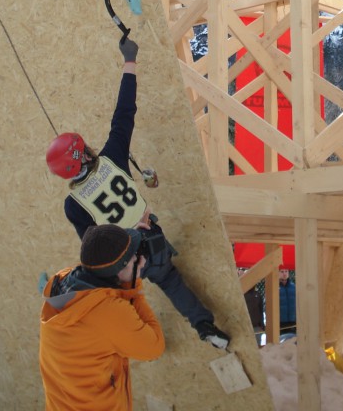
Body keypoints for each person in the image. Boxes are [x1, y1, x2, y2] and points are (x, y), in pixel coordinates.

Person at [46, 34, 230, 350]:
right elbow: (124, 112)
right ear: (85, 154)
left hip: (122, 260)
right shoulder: (112, 157)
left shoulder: (73, 205)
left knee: (117, 294)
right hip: (151, 242)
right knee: (171, 281)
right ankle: (204, 324)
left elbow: (93, 247)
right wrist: (129, 60)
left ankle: (129, 332)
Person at [40, 223, 165, 411]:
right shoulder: (109, 312)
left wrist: (121, 242)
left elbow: (104, 257)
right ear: (118, 271)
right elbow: (154, 347)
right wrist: (135, 287)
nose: (139, 262)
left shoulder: (62, 280)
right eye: (132, 260)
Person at [278, 268, 296, 336]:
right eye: (282, 271)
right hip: (280, 322)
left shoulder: (294, 287)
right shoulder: (274, 286)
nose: (284, 274)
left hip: (293, 321)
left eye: (286, 271)